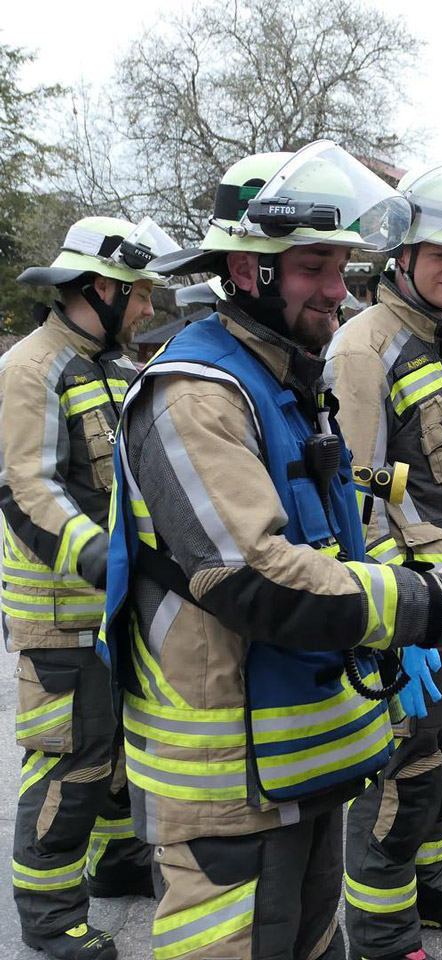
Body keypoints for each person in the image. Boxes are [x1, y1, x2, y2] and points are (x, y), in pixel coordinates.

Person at [101, 144, 442, 960]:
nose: (337, 290)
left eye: (344, 266)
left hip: (302, 751)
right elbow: (254, 576)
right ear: (246, 270)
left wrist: (423, 583)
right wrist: (426, 606)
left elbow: (338, 537)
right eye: (314, 267)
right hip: (227, 774)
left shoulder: (285, 377)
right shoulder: (192, 394)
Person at [324, 162, 442, 960]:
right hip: (416, 606)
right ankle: (381, 930)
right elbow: (357, 489)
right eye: (440, 253)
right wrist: (395, 612)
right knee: (400, 774)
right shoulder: (366, 347)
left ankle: (431, 889)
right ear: (399, 255)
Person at [3, 216, 176, 960]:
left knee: (113, 752)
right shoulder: (31, 366)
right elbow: (27, 487)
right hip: (61, 613)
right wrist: (107, 561)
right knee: (71, 759)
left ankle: (119, 864)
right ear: (101, 287)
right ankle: (47, 916)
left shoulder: (108, 364)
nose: (146, 308)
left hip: (108, 611)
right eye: (138, 294)